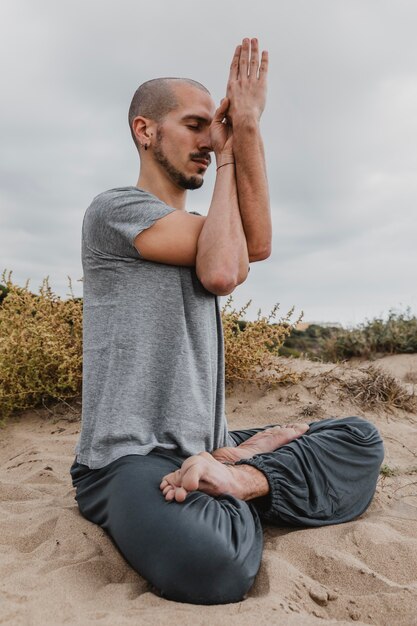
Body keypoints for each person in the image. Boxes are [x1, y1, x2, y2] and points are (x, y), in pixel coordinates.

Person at [70, 38, 384, 605]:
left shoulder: (211, 222)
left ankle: (236, 475)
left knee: (360, 438)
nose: (209, 141)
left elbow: (254, 245)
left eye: (214, 127)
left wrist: (250, 126)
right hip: (128, 459)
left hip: (205, 442)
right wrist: (232, 155)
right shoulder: (115, 211)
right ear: (145, 131)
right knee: (215, 566)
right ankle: (238, 478)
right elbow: (221, 269)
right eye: (195, 125)